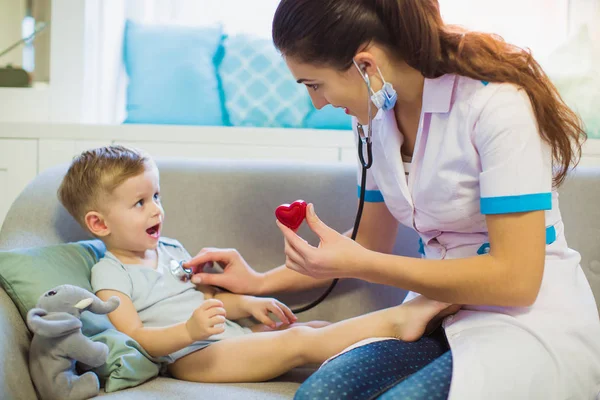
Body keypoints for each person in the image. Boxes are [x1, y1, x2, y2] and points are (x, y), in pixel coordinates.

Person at [183, 0, 600, 398]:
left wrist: (363, 264)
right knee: (321, 393)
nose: (318, 102)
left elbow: (516, 280)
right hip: (435, 312)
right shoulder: (376, 115)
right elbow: (366, 245)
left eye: (315, 84)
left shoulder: (496, 106)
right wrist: (258, 282)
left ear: (365, 65)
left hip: (527, 321)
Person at [57, 145, 457, 383]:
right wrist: (187, 330)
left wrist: (245, 305)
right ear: (99, 223)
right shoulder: (109, 273)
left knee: (314, 328)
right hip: (189, 359)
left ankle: (403, 359)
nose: (156, 210)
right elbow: (136, 337)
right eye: (140, 203)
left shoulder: (171, 249)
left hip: (227, 340)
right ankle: (400, 320)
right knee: (298, 343)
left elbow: (212, 301)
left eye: (156, 196)